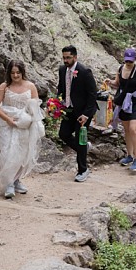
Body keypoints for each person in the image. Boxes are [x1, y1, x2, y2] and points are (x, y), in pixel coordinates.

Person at [0, 60, 44, 198]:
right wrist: (7, 119)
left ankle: (16, 180)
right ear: (9, 73)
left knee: (22, 152)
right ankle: (8, 183)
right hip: (6, 123)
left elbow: (35, 105)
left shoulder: (30, 86)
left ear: (22, 72)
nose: (15, 75)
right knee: (8, 151)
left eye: (18, 72)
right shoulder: (4, 87)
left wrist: (31, 119)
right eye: (12, 73)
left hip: (24, 124)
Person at [58, 45, 98, 182]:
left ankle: (83, 169)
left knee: (80, 138)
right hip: (69, 108)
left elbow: (93, 94)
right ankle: (84, 148)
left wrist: (86, 115)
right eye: (64, 58)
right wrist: (57, 105)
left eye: (68, 57)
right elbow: (61, 89)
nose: (65, 60)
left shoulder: (85, 71)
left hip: (83, 111)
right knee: (63, 134)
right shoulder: (62, 70)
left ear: (75, 57)